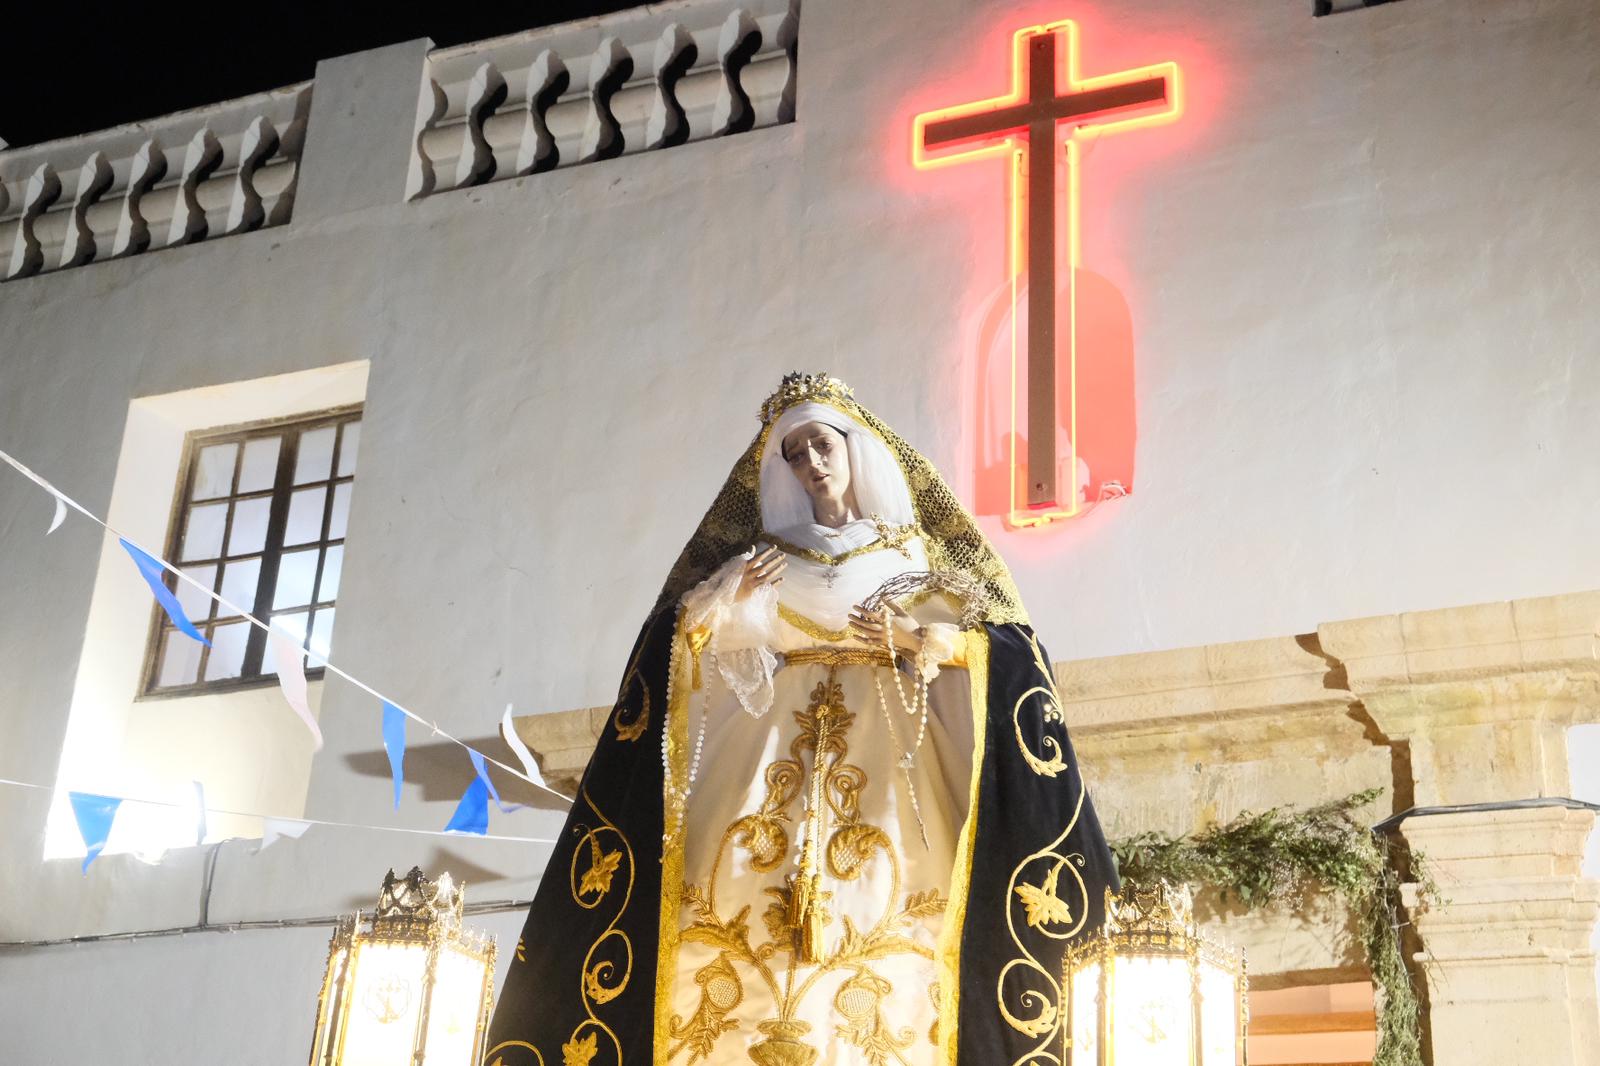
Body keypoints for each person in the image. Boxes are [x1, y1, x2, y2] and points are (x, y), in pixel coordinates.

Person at [484, 373, 1117, 1066]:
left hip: (892, 769)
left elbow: (994, 651)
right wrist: (724, 604)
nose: (811, 463)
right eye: (794, 454)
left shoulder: (915, 558)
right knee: (731, 930)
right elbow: (685, 649)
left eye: (821, 444)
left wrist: (913, 641)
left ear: (853, 448)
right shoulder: (762, 562)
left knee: (901, 937)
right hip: (766, 768)